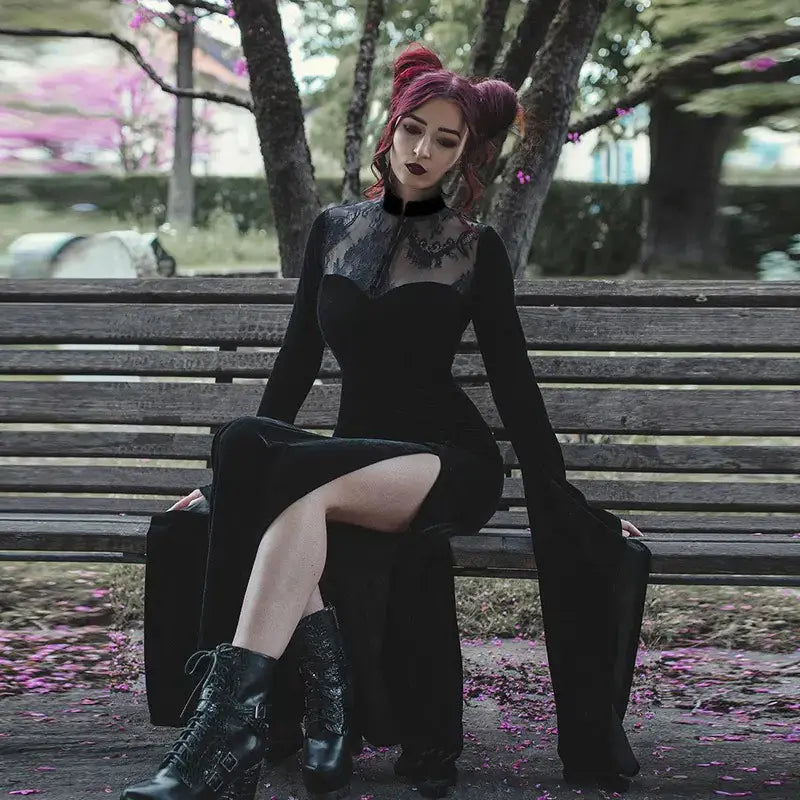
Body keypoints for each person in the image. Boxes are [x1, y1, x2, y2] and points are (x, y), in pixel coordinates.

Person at [121, 41, 648, 800]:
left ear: (467, 154)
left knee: (284, 475)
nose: (423, 149)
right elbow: (297, 364)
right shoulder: (334, 231)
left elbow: (515, 387)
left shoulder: (474, 251)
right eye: (414, 129)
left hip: (445, 460)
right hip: (351, 460)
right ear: (391, 126)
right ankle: (270, 722)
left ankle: (223, 738)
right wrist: (219, 487)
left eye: (446, 139)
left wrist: (568, 502)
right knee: (246, 446)